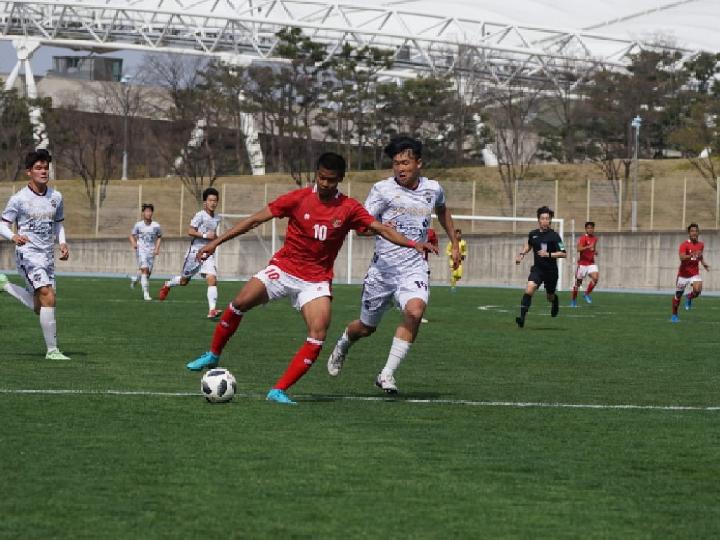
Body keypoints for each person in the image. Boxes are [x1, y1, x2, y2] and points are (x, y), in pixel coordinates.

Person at [185, 152, 437, 405]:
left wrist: (413, 244)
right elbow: (254, 220)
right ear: (316, 174)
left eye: (331, 179)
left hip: (315, 281)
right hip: (283, 269)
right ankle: (213, 354)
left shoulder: (349, 208)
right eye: (321, 177)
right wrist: (215, 243)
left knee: (318, 332)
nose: (325, 184)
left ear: (340, 178)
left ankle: (279, 390)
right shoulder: (298, 198)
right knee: (239, 303)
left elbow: (381, 228)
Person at [326, 137, 460, 394]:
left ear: (418, 163)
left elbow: (443, 211)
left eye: (406, 163)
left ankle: (386, 374)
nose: (400, 168)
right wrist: (379, 229)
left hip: (413, 268)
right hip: (383, 271)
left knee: (415, 311)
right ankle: (343, 344)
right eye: (396, 163)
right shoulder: (382, 190)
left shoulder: (433, 189)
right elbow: (361, 227)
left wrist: (454, 243)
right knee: (366, 328)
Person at [0, 149, 71, 360]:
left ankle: (5, 286)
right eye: (38, 168)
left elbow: (58, 225)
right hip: (28, 256)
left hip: (47, 257)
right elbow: (2, 224)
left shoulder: (56, 197)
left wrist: (63, 243)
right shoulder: (19, 199)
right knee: (49, 297)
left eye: (46, 167)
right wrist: (13, 237)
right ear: (28, 172)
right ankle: (52, 351)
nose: (43, 171)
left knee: (41, 307)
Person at [158, 187, 221, 318]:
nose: (213, 203)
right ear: (205, 202)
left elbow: (214, 235)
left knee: (212, 279)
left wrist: (214, 244)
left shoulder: (217, 218)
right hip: (195, 253)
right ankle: (167, 284)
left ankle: (212, 310)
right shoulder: (200, 215)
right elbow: (190, 231)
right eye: (210, 200)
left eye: (215, 200)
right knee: (184, 281)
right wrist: (204, 235)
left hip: (207, 254)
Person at [514, 206, 566, 328]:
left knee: (550, 297)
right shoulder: (533, 234)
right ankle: (521, 318)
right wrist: (522, 254)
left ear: (550, 220)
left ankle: (555, 301)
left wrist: (548, 254)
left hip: (551, 272)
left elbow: (564, 253)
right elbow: (529, 245)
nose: (545, 221)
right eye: (543, 218)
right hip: (538, 270)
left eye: (547, 218)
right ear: (539, 220)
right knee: (529, 289)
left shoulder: (555, 236)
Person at [671, 223, 710, 323]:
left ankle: (689, 297)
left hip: (694, 273)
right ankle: (674, 315)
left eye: (696, 231)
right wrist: (691, 255)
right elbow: (682, 257)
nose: (694, 233)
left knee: (698, 290)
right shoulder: (684, 245)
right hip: (683, 275)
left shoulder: (701, 245)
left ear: (698, 232)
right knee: (678, 296)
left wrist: (704, 263)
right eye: (692, 231)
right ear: (689, 233)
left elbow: (699, 256)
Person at [129, 203, 163, 301]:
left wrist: (157, 248)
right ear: (143, 213)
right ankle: (146, 294)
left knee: (147, 274)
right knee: (144, 269)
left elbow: (159, 237)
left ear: (152, 213)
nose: (148, 213)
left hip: (151, 251)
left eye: (150, 211)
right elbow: (131, 235)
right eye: (146, 211)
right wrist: (134, 243)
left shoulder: (156, 225)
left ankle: (136, 279)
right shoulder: (138, 225)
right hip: (141, 250)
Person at [570, 221, 599, 307]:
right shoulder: (583, 238)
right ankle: (574, 300)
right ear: (586, 229)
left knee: (596, 278)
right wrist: (587, 247)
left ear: (593, 229)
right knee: (577, 284)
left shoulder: (595, 238)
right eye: (588, 228)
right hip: (582, 264)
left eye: (591, 228)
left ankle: (586, 294)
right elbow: (578, 249)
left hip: (591, 263)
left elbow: (593, 249)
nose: (590, 229)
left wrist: (594, 252)